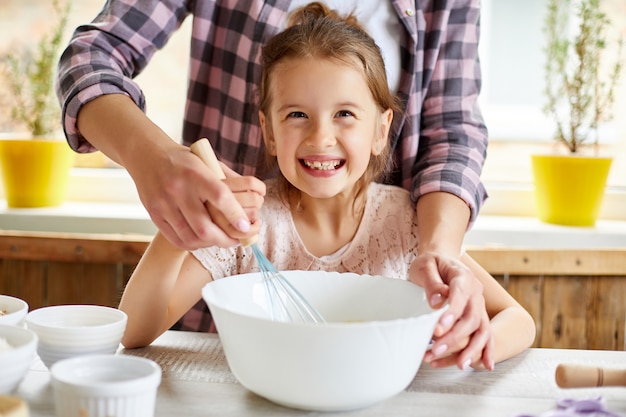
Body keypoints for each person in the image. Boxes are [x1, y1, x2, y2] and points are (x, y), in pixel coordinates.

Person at [58, 0, 492, 368]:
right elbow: (133, 330)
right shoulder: (247, 229)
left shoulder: (403, 224)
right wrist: (172, 200)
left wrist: (454, 344)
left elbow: (514, 321)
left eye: (344, 114)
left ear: (382, 129)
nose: (321, 138)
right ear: (268, 129)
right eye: (297, 114)